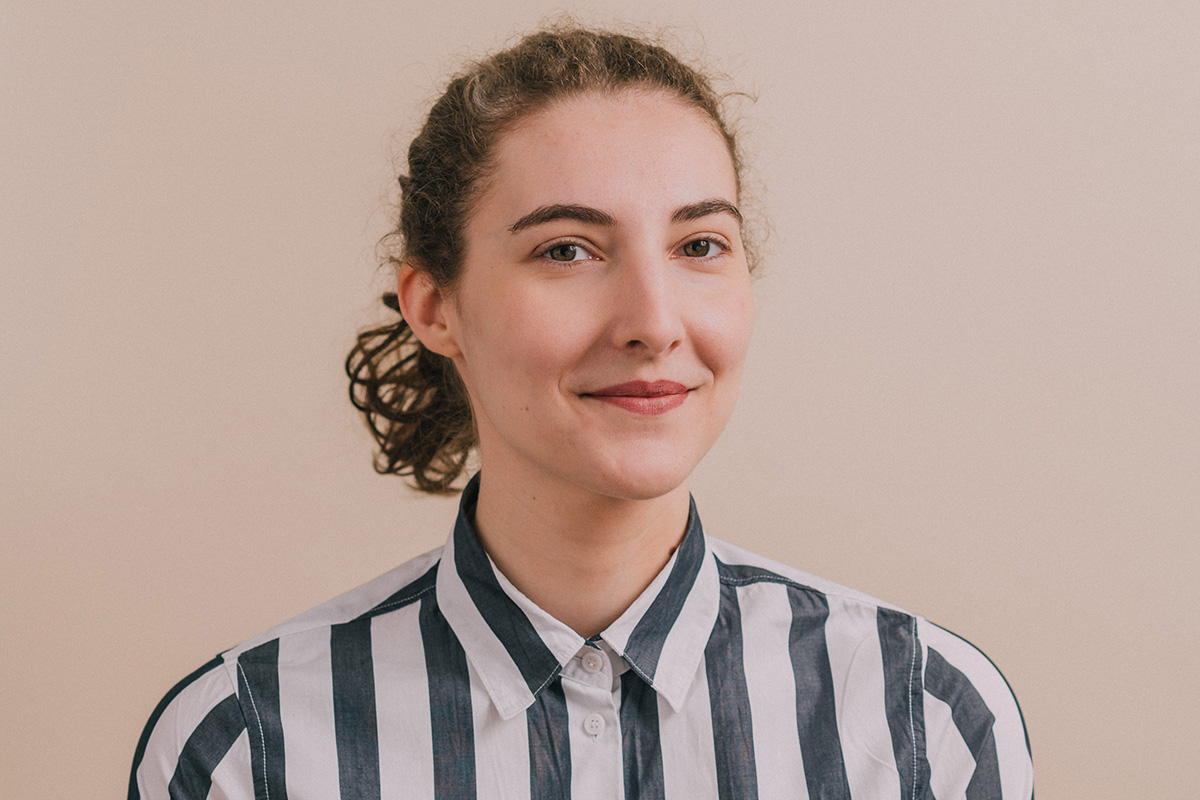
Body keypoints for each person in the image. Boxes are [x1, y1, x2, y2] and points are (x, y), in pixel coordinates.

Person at [129, 25, 1033, 800]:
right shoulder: (248, 744)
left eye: (700, 245)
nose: (654, 322)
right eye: (567, 250)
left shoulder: (923, 716)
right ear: (434, 305)